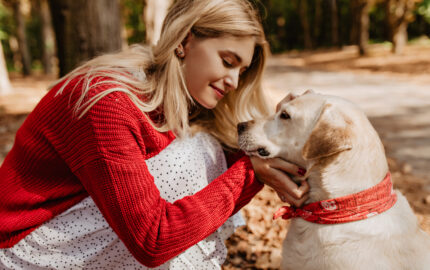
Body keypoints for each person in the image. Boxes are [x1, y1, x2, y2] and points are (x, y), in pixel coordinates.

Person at [0, 0, 309, 269]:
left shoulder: (183, 102)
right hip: (19, 251)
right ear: (185, 40)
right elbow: (153, 240)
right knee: (199, 157)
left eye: (240, 72)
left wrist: (280, 135)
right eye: (227, 62)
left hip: (68, 237)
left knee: (212, 149)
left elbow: (245, 159)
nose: (232, 81)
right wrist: (250, 172)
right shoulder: (108, 101)